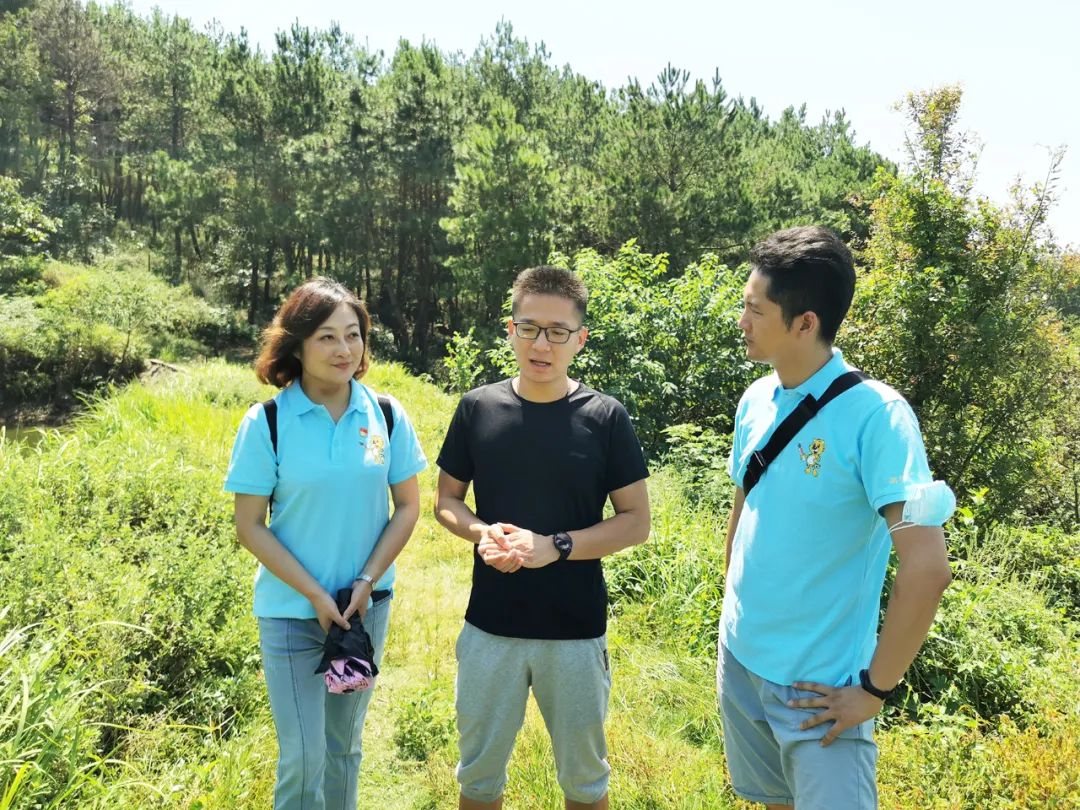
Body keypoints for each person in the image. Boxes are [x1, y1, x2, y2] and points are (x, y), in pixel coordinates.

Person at [719, 226, 954, 809]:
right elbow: (746, 506)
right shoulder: (756, 399)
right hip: (742, 660)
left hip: (819, 691)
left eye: (755, 310)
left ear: (805, 322)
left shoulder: (878, 417)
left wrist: (874, 690)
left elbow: (927, 568)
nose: (741, 321)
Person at [435, 265, 651, 810]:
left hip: (575, 632)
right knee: (478, 780)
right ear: (510, 330)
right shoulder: (478, 408)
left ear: (580, 339)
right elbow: (446, 502)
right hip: (490, 626)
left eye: (558, 332)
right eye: (529, 328)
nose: (541, 344)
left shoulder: (605, 417)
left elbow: (635, 521)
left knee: (585, 782)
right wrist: (484, 533)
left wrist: (554, 546)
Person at [224, 277, 427, 810]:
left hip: (362, 613)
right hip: (292, 613)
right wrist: (315, 594)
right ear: (296, 344)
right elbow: (250, 525)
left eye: (353, 335)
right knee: (304, 755)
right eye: (327, 337)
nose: (344, 349)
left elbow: (408, 506)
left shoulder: (385, 414)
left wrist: (366, 581)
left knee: (343, 747)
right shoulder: (267, 422)